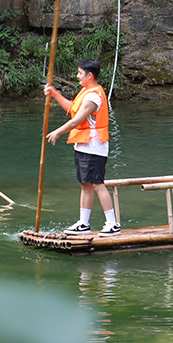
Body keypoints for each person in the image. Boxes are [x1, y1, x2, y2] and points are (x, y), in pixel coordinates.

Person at [44, 59, 119, 236]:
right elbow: (72, 109)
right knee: (85, 184)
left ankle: (112, 223)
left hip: (94, 147)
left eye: (79, 73)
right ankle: (83, 223)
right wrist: (55, 94)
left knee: (97, 184)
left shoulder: (94, 95)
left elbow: (77, 121)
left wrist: (57, 132)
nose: (77, 76)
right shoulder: (85, 92)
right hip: (83, 146)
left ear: (89, 75)